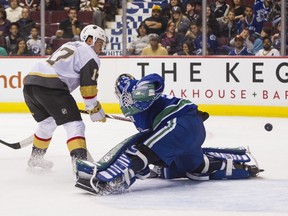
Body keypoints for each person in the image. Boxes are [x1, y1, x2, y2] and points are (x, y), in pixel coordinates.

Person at [75, 73, 263, 195]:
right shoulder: (138, 113)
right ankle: (239, 166)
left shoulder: (136, 93)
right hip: (190, 131)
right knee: (195, 169)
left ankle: (113, 181)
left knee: (142, 151)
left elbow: (156, 80)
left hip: (180, 123)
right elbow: (154, 134)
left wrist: (138, 87)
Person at [23, 25, 107, 170]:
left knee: (47, 123)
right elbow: (88, 89)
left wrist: (93, 108)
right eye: (99, 43)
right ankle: (81, 167)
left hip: (30, 83)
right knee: (75, 125)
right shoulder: (89, 54)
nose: (100, 49)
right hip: (51, 87)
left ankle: (36, 158)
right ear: (90, 40)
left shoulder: (69, 45)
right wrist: (93, 108)